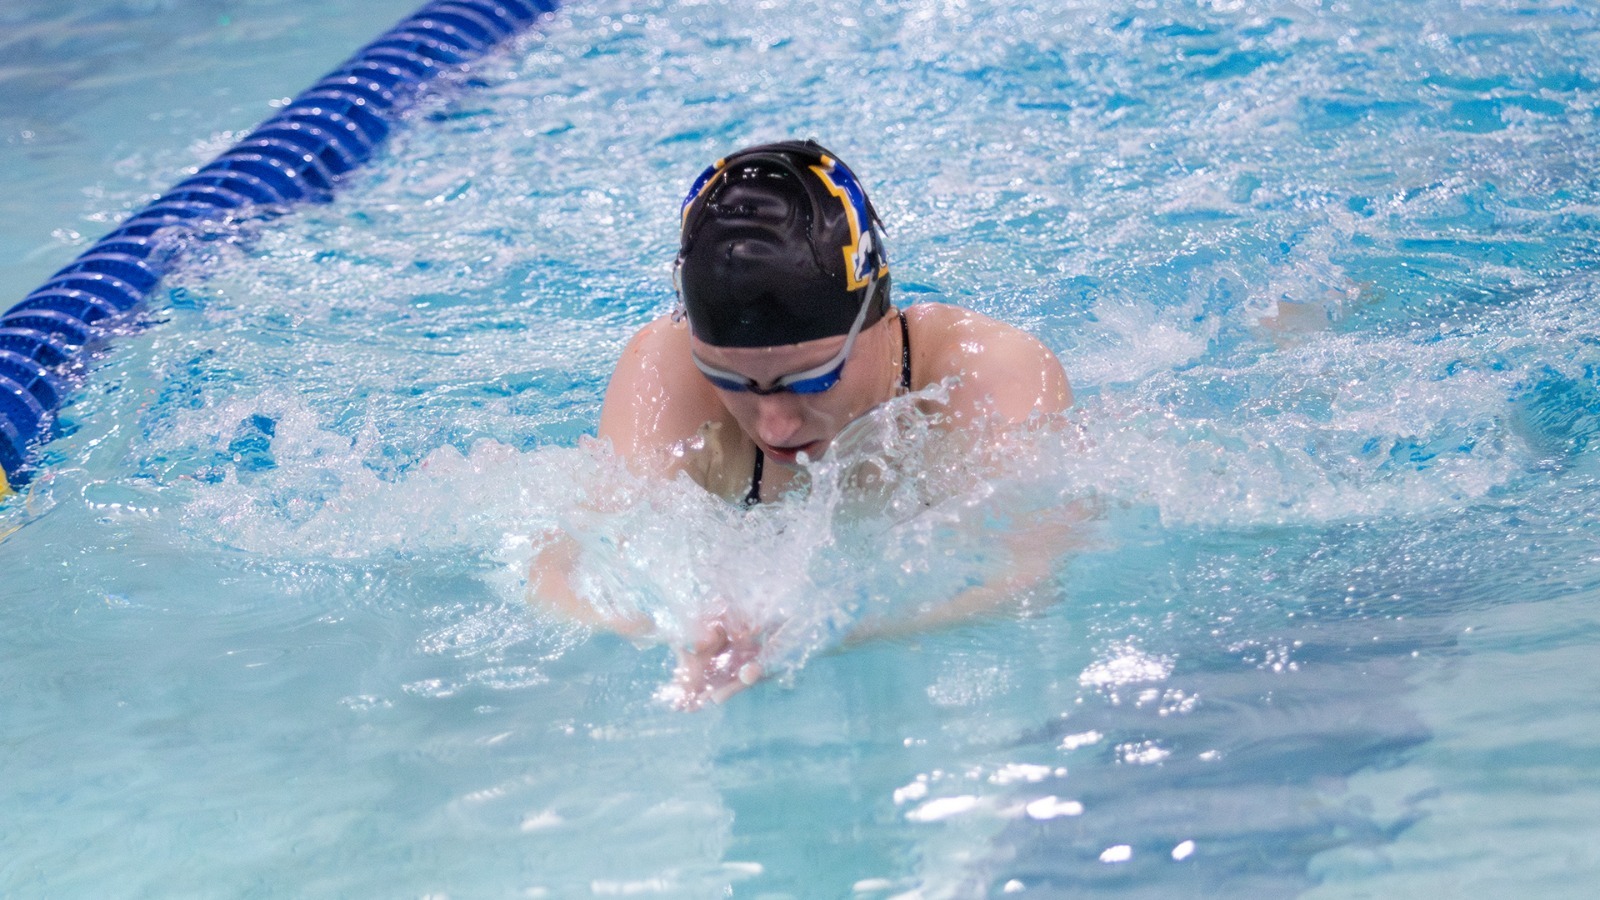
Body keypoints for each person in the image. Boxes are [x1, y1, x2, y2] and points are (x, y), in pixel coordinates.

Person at [535, 139, 1073, 706]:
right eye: (732, 381)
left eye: (810, 379)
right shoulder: (665, 369)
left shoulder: (986, 376)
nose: (774, 426)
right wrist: (667, 629)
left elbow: (1027, 567)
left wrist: (821, 631)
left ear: (879, 313)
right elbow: (564, 565)